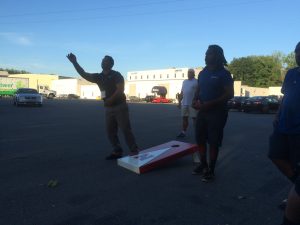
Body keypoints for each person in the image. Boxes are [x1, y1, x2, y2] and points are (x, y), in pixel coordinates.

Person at [66, 53, 139, 159]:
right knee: (110, 131)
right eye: (102, 61)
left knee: (125, 129)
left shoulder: (116, 75)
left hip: (120, 106)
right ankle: (117, 150)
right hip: (109, 108)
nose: (102, 62)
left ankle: (134, 151)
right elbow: (83, 74)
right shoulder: (98, 77)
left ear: (111, 64)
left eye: (105, 61)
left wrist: (110, 100)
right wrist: (74, 62)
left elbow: (120, 90)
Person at [267, 42, 300, 225]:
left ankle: (295, 195)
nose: (298, 55)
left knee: (297, 164)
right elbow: (285, 96)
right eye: (296, 51)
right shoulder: (291, 74)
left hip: (298, 131)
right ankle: (297, 187)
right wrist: (278, 113)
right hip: (282, 126)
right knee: (275, 155)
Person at [192, 45, 234, 182]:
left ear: (216, 56)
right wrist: (194, 99)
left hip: (217, 113)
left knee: (214, 142)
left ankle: (211, 170)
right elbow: (199, 89)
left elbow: (229, 94)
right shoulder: (203, 72)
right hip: (203, 112)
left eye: (208, 54)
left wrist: (211, 103)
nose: (205, 56)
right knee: (200, 139)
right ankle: (203, 165)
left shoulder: (224, 74)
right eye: (205, 54)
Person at [177, 68, 198, 138]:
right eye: (188, 72)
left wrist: (198, 101)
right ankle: (183, 132)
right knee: (184, 118)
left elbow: (199, 92)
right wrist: (179, 102)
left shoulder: (196, 82)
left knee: (195, 119)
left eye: (190, 72)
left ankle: (198, 133)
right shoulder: (184, 82)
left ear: (193, 74)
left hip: (192, 104)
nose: (188, 74)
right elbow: (182, 92)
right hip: (184, 103)